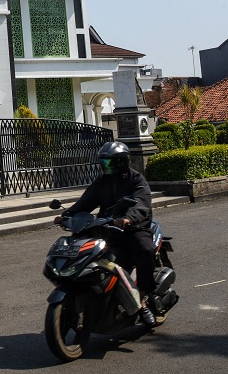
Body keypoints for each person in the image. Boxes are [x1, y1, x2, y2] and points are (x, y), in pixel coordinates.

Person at [54, 140, 157, 327]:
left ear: (123, 162)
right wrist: (67, 215)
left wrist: (129, 218)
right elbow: (85, 202)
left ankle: (142, 301)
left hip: (133, 229)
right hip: (107, 230)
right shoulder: (102, 182)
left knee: (145, 250)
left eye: (111, 163)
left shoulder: (136, 180)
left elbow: (142, 202)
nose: (107, 167)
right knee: (91, 259)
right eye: (104, 163)